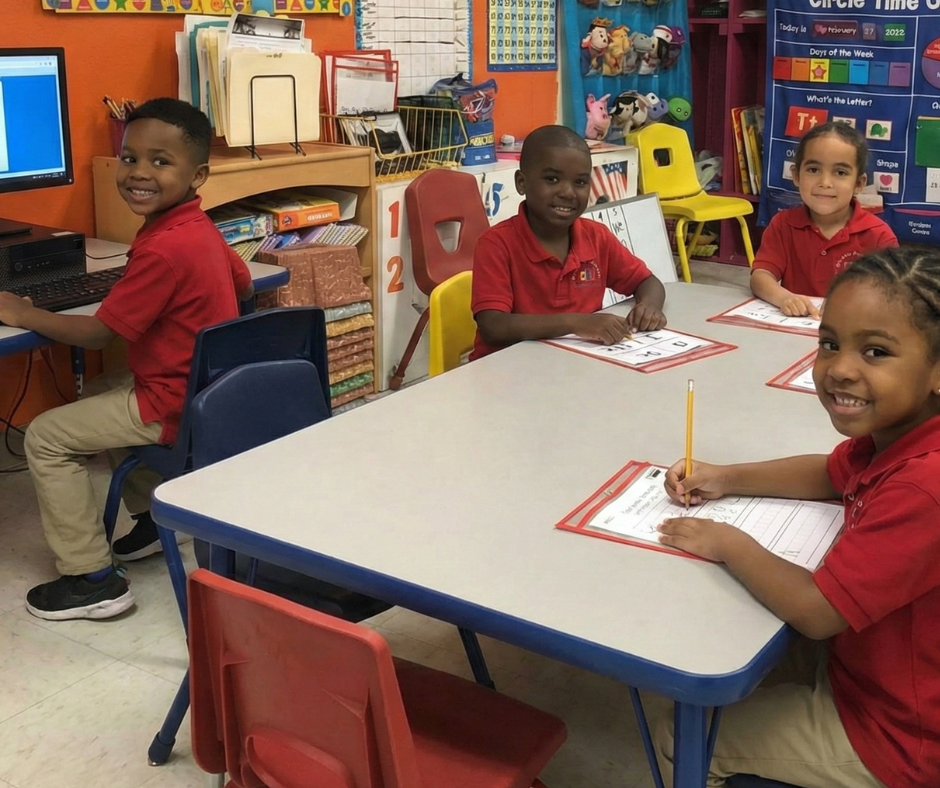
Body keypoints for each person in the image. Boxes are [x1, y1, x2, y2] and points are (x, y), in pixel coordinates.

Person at [655, 245, 940, 788]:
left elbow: (817, 611)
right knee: (728, 651)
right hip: (870, 668)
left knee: (683, 736)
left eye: (875, 352)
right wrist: (726, 476)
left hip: (899, 735)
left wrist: (727, 542)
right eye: (829, 343)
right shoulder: (896, 435)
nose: (839, 370)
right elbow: (829, 473)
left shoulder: (927, 487)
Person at [0, 98, 254, 621]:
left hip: (170, 401)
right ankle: (150, 517)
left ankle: (91, 580)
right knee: (99, 394)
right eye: (130, 158)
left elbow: (95, 334)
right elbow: (244, 283)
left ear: (197, 172)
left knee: (45, 437)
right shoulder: (196, 227)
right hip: (206, 392)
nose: (139, 173)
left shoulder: (162, 248)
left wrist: (25, 312)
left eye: (160, 162)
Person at [470, 125, 667, 360]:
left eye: (580, 182)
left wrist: (649, 307)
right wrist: (577, 323)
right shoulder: (496, 244)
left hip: (574, 366)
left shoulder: (597, 237)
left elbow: (647, 282)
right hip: (506, 371)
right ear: (522, 183)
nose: (568, 192)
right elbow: (493, 327)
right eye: (552, 179)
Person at [750, 122, 898, 318]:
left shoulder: (877, 235)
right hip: (796, 330)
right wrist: (785, 298)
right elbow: (761, 276)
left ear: (859, 184)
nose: (825, 183)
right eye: (813, 170)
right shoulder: (782, 224)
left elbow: (895, 294)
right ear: (796, 175)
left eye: (840, 173)